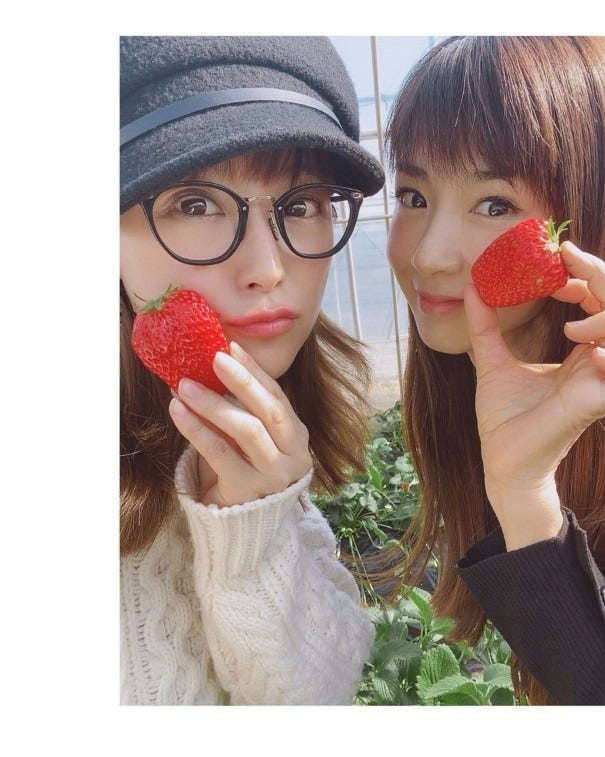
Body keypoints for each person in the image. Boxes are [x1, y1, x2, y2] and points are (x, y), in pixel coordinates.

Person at [119, 36, 385, 705]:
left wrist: (252, 524)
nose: (268, 268)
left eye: (301, 204)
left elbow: (317, 702)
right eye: (195, 203)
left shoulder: (274, 438)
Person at [384, 36, 605, 705]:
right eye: (413, 194)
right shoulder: (481, 396)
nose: (428, 256)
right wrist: (524, 495)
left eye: (494, 204)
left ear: (590, 214)